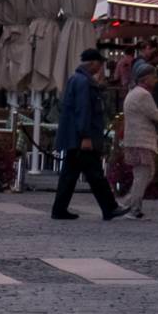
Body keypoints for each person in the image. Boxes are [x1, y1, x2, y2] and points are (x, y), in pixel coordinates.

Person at [51, 48, 120, 222]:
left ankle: (60, 209)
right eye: (100, 63)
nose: (101, 67)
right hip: (81, 139)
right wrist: (86, 136)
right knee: (95, 175)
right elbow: (83, 111)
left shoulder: (77, 79)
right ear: (93, 63)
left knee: (70, 175)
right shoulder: (83, 82)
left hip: (75, 138)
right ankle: (110, 208)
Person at [119, 63, 158, 219]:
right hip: (142, 140)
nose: (156, 80)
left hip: (133, 139)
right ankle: (129, 206)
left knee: (141, 174)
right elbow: (156, 115)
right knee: (144, 174)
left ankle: (134, 206)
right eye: (154, 76)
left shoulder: (132, 93)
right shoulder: (144, 95)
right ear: (146, 78)